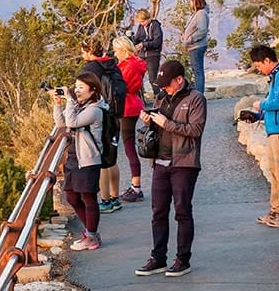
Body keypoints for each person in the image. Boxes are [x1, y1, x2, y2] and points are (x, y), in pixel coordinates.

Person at [134, 60, 207, 277]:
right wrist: (149, 121)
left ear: (179, 80)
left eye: (167, 84)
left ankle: (183, 259)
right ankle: (158, 258)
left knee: (182, 211)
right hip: (160, 162)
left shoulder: (196, 99)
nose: (164, 88)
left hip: (184, 163)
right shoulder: (161, 98)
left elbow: (196, 129)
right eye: (162, 85)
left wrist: (167, 124)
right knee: (158, 212)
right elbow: (159, 128)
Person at [242, 44, 279, 228]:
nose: (259, 69)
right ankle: (276, 210)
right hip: (275, 130)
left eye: (259, 65)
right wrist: (257, 116)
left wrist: (261, 104)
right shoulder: (276, 76)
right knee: (275, 172)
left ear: (267, 60)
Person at [52, 72, 108, 251]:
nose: (76, 90)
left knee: (88, 197)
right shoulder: (80, 106)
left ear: (93, 90)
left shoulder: (94, 110)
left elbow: (72, 121)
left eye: (81, 87)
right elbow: (62, 124)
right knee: (72, 196)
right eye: (75, 87)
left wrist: (70, 100)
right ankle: (91, 232)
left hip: (88, 159)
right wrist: (57, 104)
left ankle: (92, 236)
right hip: (73, 157)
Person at [80, 40, 126, 213]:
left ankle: (105, 200)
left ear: (88, 51)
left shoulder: (91, 69)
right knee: (111, 157)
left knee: (102, 161)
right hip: (115, 114)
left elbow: (82, 92)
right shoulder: (111, 65)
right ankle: (115, 197)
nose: (82, 56)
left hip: (100, 116)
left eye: (83, 52)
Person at [112, 35, 147, 202]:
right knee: (129, 146)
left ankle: (136, 186)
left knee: (129, 147)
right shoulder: (134, 64)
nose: (115, 53)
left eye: (116, 50)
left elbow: (120, 86)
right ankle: (135, 185)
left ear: (123, 50)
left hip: (126, 106)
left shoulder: (127, 66)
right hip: (132, 104)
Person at [182, 0, 209, 94]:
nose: (190, 4)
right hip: (193, 46)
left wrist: (190, 39)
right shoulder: (197, 14)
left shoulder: (201, 14)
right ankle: (198, 93)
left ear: (195, 2)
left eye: (191, 1)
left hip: (196, 46)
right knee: (196, 71)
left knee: (198, 72)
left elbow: (202, 30)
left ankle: (199, 94)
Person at [130, 9, 163, 92]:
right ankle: (140, 98)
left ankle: (158, 97)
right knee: (138, 78)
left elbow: (157, 42)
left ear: (148, 18)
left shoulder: (155, 26)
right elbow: (137, 38)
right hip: (141, 56)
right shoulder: (141, 27)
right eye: (140, 22)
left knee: (153, 79)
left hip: (152, 55)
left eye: (143, 21)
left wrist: (144, 44)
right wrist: (132, 42)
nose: (142, 24)